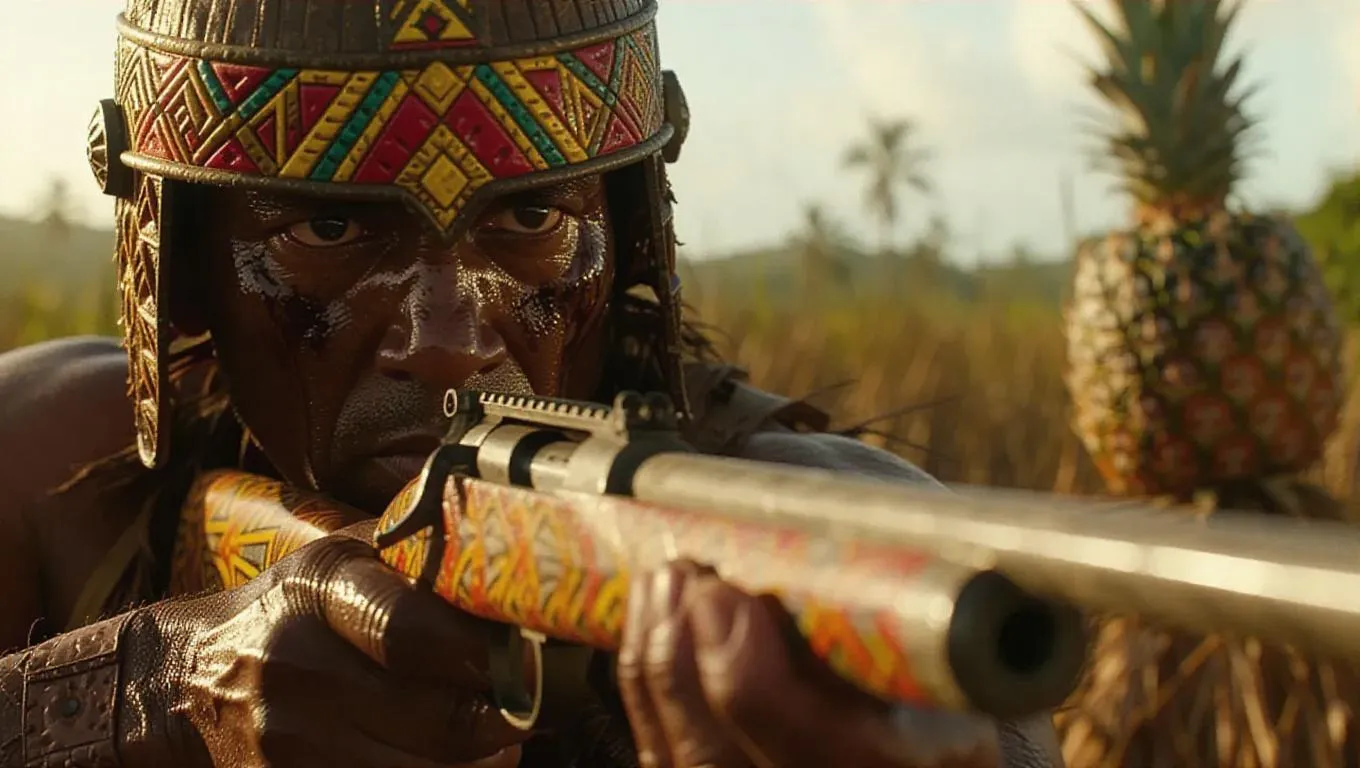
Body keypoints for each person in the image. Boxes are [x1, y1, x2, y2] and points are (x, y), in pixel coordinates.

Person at [0, 1, 1062, 766]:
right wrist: (152, 689)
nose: (447, 342)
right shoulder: (48, 464)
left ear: (626, 233)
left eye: (531, 219)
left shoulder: (843, 541)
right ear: (179, 264)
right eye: (327, 230)